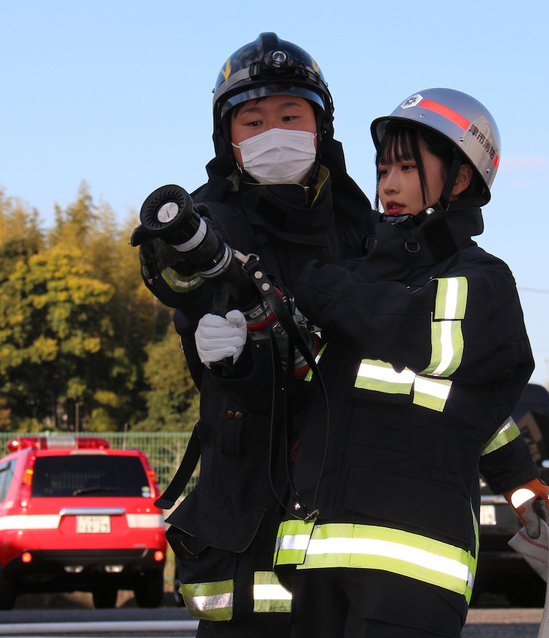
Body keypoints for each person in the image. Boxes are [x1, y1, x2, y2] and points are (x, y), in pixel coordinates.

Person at [273, 88, 549, 637]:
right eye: (382, 169)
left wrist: (322, 286)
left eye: (406, 166)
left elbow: (419, 336)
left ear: (462, 178)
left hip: (415, 569)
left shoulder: (483, 282)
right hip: (319, 559)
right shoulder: (358, 279)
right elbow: (453, 403)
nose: (389, 185)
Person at [134, 32, 375, 636]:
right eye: (254, 119)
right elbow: (184, 292)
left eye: (291, 114)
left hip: (351, 503)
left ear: (321, 126)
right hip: (246, 511)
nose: (274, 133)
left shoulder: (362, 224)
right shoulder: (209, 220)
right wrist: (233, 360)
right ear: (228, 136)